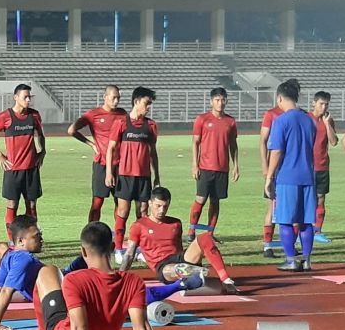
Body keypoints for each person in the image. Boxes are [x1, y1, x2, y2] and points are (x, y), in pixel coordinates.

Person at [30, 222, 180, 330]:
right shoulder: (133, 281)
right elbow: (142, 328)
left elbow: (80, 328)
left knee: (48, 271)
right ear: (113, 247)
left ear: (83, 251)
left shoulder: (74, 279)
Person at [124, 185, 239, 293]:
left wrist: (195, 258)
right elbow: (129, 254)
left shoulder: (175, 223)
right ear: (150, 203)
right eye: (158, 206)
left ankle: (224, 278)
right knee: (178, 268)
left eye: (165, 206)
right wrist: (120, 276)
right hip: (162, 266)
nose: (162, 210)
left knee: (205, 237)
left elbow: (179, 248)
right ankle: (194, 274)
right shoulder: (139, 226)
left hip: (179, 258)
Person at [264, 79, 319, 272]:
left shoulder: (281, 121)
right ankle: (307, 259)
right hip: (308, 176)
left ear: (279, 98)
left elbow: (277, 151)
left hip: (287, 176)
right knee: (306, 220)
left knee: (285, 220)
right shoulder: (309, 120)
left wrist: (269, 177)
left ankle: (291, 259)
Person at [106, 87, 160, 264]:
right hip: (125, 175)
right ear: (136, 102)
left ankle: (140, 248)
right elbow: (111, 148)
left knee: (143, 213)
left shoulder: (151, 126)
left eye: (150, 104)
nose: (149, 107)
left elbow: (153, 153)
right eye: (147, 103)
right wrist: (109, 173)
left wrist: (157, 176)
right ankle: (120, 249)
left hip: (144, 177)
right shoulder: (121, 123)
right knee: (123, 211)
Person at [0, 83, 47, 239]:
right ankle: (12, 240)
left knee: (32, 205)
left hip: (31, 169)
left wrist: (43, 151)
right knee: (12, 204)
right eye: (25, 97)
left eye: (29, 97)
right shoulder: (5, 116)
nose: (28, 100)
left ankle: (30, 237)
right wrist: (0, 155)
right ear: (16, 98)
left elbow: (40, 134)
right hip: (13, 170)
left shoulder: (34, 115)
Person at [68, 85, 127, 223]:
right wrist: (91, 144)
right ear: (105, 97)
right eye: (113, 98)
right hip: (101, 163)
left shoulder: (122, 114)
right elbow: (72, 130)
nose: (116, 101)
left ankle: (117, 235)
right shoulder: (93, 115)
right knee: (97, 202)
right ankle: (91, 234)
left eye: (118, 98)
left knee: (120, 203)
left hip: (120, 164)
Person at [188, 87, 239, 242]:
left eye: (223, 100)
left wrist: (236, 165)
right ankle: (191, 231)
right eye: (217, 100)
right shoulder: (202, 119)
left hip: (222, 168)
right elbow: (195, 143)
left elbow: (233, 145)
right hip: (205, 167)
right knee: (200, 199)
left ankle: (210, 233)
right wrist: (194, 165)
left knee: (215, 201)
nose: (220, 103)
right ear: (211, 101)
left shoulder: (230, 121)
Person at [309, 91, 338, 243]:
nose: (324, 107)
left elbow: (333, 142)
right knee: (307, 199)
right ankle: (304, 231)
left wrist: (327, 124)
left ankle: (317, 231)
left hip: (322, 166)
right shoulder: (307, 118)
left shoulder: (328, 120)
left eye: (326, 104)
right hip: (307, 166)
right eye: (321, 103)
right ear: (314, 103)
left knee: (321, 199)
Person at [258, 96, 285, 257]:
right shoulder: (271, 114)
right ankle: (267, 245)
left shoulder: (298, 114)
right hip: (275, 170)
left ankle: (289, 245)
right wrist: (265, 165)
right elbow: (263, 141)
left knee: (292, 209)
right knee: (272, 207)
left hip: (291, 170)